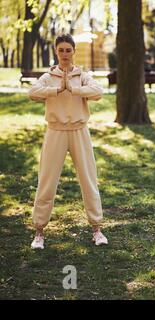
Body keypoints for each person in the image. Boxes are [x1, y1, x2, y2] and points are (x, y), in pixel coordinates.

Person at [28, 33, 107, 249]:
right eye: (61, 50)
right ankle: (39, 232)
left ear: (73, 51)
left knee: (89, 179)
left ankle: (97, 229)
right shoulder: (49, 76)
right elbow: (33, 93)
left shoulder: (82, 75)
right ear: (56, 51)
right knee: (47, 180)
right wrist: (57, 89)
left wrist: (74, 89)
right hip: (55, 131)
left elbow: (98, 92)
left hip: (79, 131)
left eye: (68, 50)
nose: (64, 54)